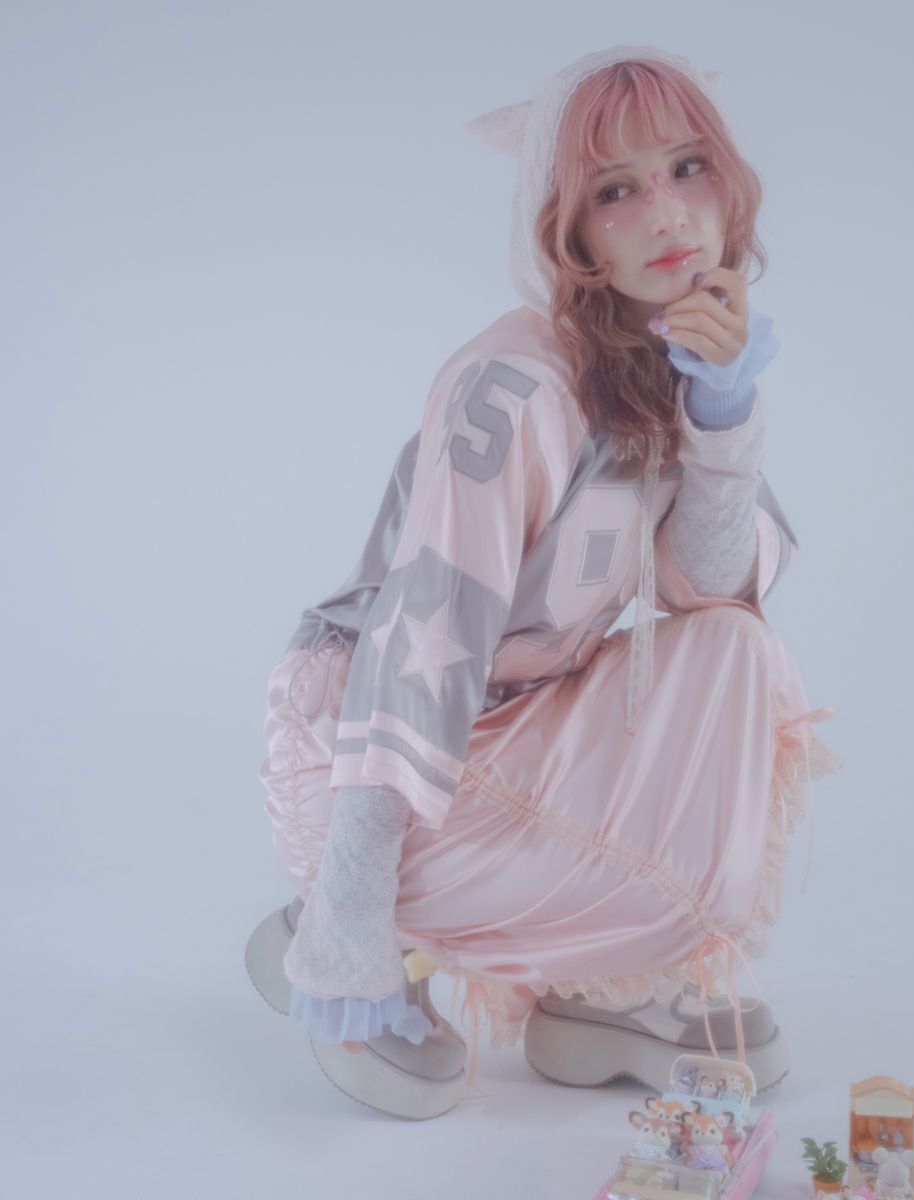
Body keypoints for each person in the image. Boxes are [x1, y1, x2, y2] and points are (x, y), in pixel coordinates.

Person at [248, 44, 842, 1119]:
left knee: (737, 652)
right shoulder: (512, 386)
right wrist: (351, 907)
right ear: (567, 234)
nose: (668, 215)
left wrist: (722, 412)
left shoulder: (664, 370)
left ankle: (606, 987)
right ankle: (336, 923)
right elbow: (422, 640)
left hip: (513, 729)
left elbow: (709, 588)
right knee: (412, 1051)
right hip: (362, 755)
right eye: (615, 192)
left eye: (688, 168)